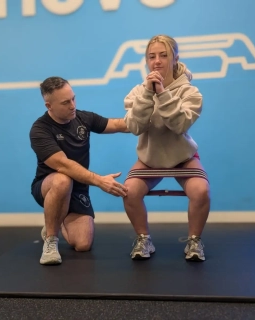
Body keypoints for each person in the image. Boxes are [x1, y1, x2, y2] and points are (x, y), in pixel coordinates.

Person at [123, 35, 210, 262]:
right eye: (152, 56)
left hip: (183, 156)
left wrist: (162, 93)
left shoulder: (191, 92)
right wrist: (148, 94)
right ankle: (143, 239)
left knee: (201, 191)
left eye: (163, 55)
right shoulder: (136, 92)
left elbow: (179, 125)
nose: (157, 61)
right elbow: (134, 126)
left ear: (175, 59)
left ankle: (194, 240)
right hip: (150, 158)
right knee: (129, 191)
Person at [30, 76, 128, 265]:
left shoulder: (83, 118)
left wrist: (149, 121)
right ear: (49, 106)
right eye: (66, 102)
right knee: (63, 180)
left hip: (78, 189)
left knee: (83, 244)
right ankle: (50, 240)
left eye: (73, 98)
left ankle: (55, 222)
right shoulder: (40, 129)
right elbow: (63, 165)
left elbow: (117, 124)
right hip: (48, 186)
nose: (72, 105)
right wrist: (100, 181)